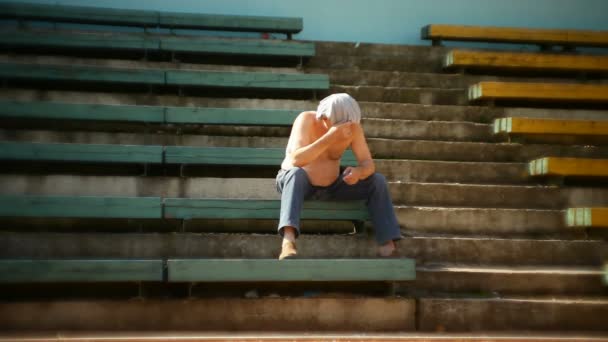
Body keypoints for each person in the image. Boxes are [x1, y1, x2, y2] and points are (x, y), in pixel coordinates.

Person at [275, 93, 402, 260]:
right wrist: (331, 136)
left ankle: (388, 244)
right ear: (325, 118)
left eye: (350, 124)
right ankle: (288, 241)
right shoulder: (306, 120)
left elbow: (368, 164)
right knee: (295, 173)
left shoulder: (353, 128)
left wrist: (359, 173)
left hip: (332, 185)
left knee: (377, 181)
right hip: (298, 183)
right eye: (343, 124)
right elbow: (296, 160)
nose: (347, 129)